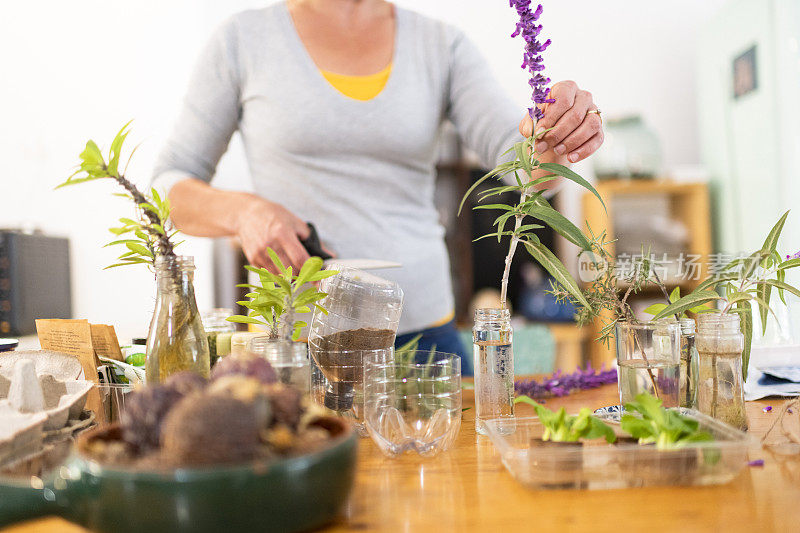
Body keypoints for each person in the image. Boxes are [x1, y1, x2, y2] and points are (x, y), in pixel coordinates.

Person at [153, 0, 604, 375]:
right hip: (300, 344)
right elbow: (168, 184)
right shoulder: (241, 40)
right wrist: (244, 213)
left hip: (427, 340)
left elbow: (522, 167)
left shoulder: (441, 45)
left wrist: (557, 137)